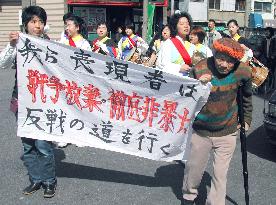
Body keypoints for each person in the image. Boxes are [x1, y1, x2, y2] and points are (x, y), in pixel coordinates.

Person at [182, 38, 252, 205]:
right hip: (201, 130)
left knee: (220, 174)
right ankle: (188, 196)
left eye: (230, 61)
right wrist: (198, 85)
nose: (225, 65)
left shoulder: (243, 71)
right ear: (214, 54)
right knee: (194, 169)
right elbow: (186, 96)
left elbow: (247, 98)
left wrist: (247, 119)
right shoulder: (200, 68)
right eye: (221, 58)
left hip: (227, 130)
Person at [0, 6, 57, 198]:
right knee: (28, 145)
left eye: (41, 22)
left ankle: (49, 181)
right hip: (22, 102)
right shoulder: (18, 44)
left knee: (43, 144)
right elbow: (3, 64)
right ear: (25, 24)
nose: (38, 26)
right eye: (33, 22)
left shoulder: (50, 45)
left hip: (43, 103)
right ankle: (35, 179)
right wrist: (11, 44)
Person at [57, 13, 91, 148]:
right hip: (64, 79)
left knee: (78, 109)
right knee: (64, 107)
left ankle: (79, 136)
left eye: (69, 25)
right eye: (66, 25)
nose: (67, 28)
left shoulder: (84, 43)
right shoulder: (63, 41)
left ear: (77, 27)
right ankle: (64, 135)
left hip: (78, 81)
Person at [156, 11, 196, 77]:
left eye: (187, 24)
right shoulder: (168, 43)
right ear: (175, 26)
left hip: (187, 81)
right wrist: (179, 68)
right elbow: (163, 64)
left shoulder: (192, 46)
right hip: (172, 80)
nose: (186, 26)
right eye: (182, 24)